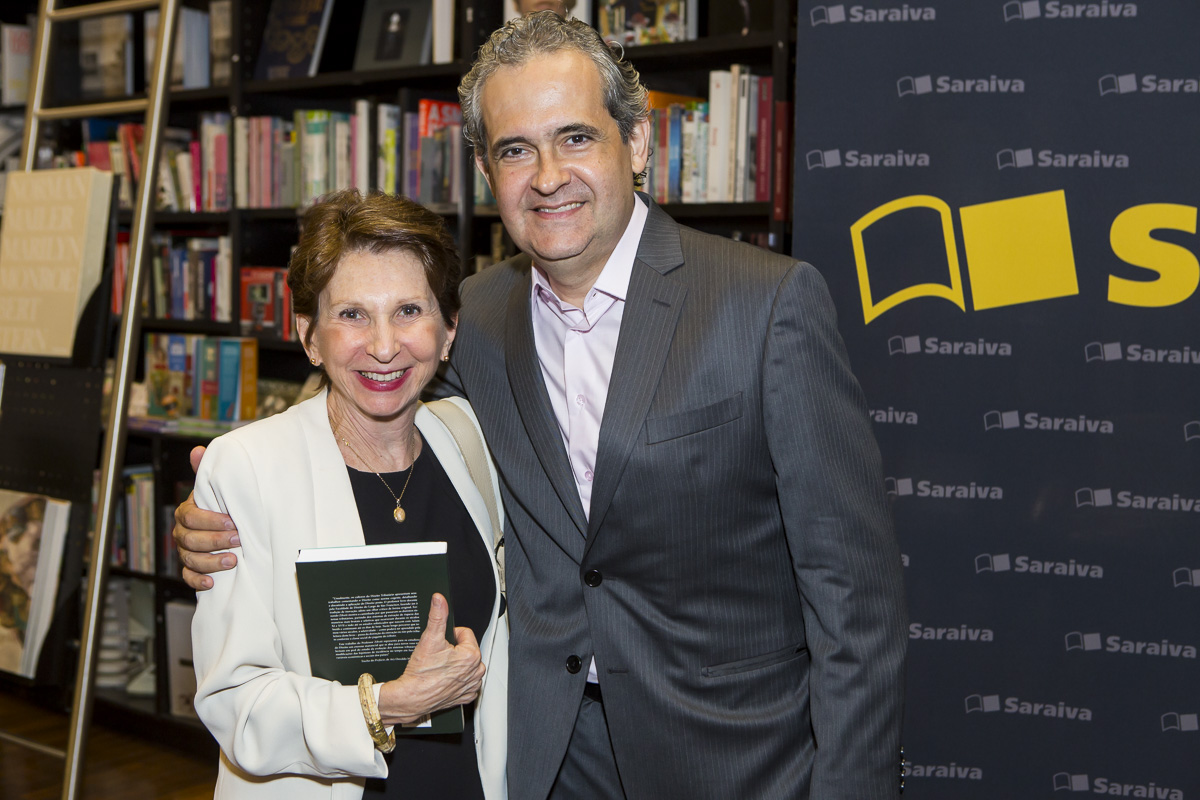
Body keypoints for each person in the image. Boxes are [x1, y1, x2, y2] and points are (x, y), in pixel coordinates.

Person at [176, 12, 907, 799]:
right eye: (516, 149)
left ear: (637, 143)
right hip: (541, 756)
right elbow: (371, 402)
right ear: (486, 171)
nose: (548, 176)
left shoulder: (765, 305)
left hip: (735, 759)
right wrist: (227, 503)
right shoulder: (477, 317)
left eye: (575, 137)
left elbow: (854, 597)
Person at [186, 190, 507, 800]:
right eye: (353, 314)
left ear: (448, 330)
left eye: (409, 310)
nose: (384, 346)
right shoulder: (248, 468)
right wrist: (383, 706)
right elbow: (235, 702)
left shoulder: (468, 438)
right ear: (309, 335)